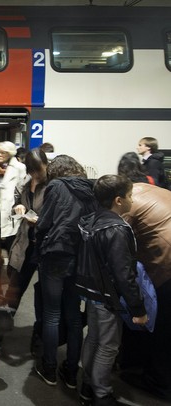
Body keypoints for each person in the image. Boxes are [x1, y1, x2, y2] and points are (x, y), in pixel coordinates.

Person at [76, 174, 147, 406]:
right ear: (118, 200)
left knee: (94, 339)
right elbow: (123, 273)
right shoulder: (116, 228)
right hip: (108, 296)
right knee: (108, 346)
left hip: (91, 291)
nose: (132, 201)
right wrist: (138, 308)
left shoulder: (90, 220)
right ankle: (102, 393)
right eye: (129, 196)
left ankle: (87, 385)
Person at [34, 154, 97, 388]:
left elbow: (45, 221)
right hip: (80, 256)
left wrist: (36, 230)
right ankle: (71, 372)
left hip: (56, 253)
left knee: (52, 314)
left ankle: (49, 368)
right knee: (73, 315)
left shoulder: (56, 186)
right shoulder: (91, 188)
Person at [117, 156, 171, 402]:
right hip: (165, 256)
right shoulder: (155, 189)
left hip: (167, 263)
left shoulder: (129, 202)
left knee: (160, 324)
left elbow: (118, 246)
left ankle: (157, 381)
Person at [5, 149, 49, 352]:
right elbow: (17, 203)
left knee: (45, 294)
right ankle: (1, 329)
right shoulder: (25, 184)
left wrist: (39, 222)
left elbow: (56, 216)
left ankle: (39, 338)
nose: (38, 175)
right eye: (35, 171)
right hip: (26, 244)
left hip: (45, 245)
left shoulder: (52, 186)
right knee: (15, 288)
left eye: (40, 170)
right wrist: (19, 208)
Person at [0, 141, 27, 250]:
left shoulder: (19, 168)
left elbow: (22, 189)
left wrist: (20, 204)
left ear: (10, 154)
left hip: (10, 209)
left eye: (3, 153)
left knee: (10, 244)